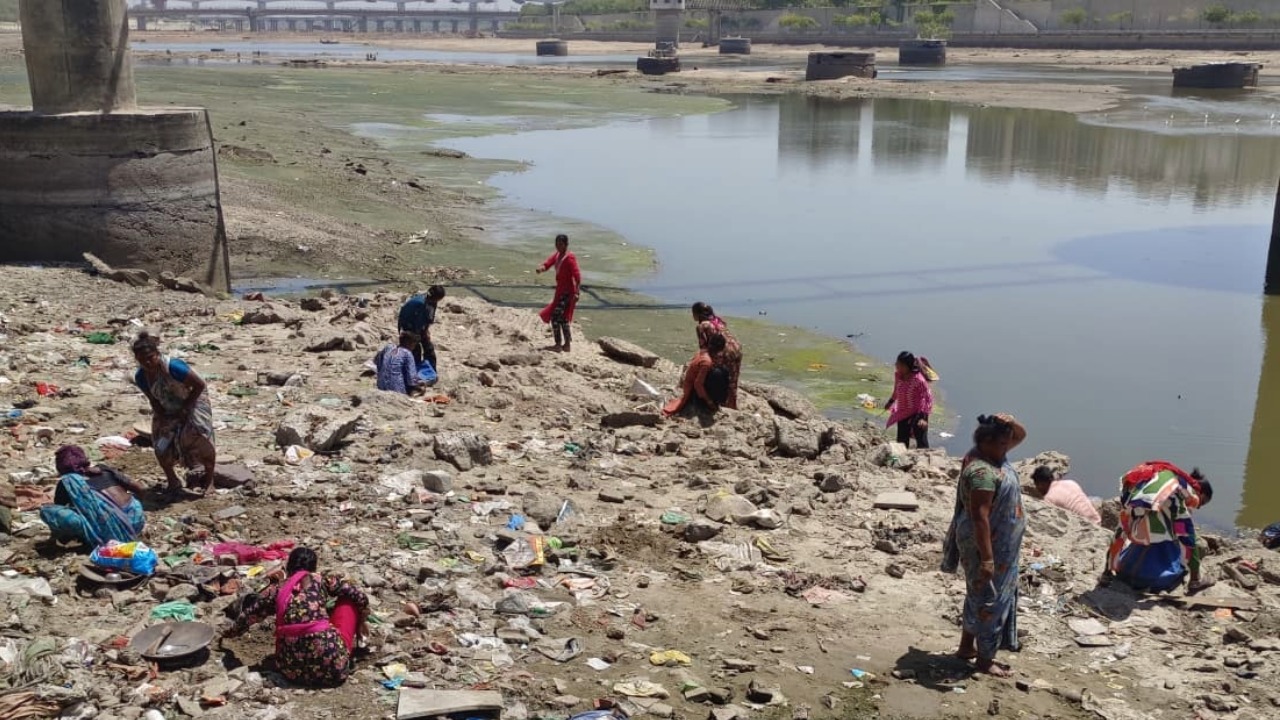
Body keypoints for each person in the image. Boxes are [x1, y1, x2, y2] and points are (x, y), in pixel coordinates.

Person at [941, 413, 1028, 678]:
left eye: (1006, 442)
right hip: (987, 545)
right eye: (1003, 443)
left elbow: (1021, 435)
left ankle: (966, 647)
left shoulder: (993, 455)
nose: (1008, 446)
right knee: (991, 601)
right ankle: (984, 659)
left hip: (1000, 544)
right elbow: (980, 519)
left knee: (977, 594)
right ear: (988, 442)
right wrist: (988, 559)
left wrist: (1010, 422)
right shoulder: (982, 472)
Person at [221, 547, 369, 687]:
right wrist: (362, 619)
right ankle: (344, 651)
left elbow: (248, 616)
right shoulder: (321, 580)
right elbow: (360, 597)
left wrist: (227, 634)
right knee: (348, 601)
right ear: (314, 567)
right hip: (334, 670)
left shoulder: (277, 590)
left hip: (290, 671)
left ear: (288, 567)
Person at [1104, 461, 1214, 594]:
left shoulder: (1158, 476)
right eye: (1201, 502)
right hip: (1151, 579)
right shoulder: (1180, 491)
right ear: (1199, 493)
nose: (1198, 507)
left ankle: (1107, 573)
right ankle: (1195, 581)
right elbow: (1187, 537)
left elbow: (1121, 531)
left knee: (1124, 529)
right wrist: (1194, 570)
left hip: (1136, 500)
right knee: (1185, 536)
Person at [133, 332, 217, 497]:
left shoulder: (173, 367)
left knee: (201, 438)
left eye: (151, 357)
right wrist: (163, 417)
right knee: (161, 443)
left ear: (157, 354)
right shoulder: (141, 376)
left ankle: (209, 481)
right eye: (143, 361)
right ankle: (173, 480)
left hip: (193, 401)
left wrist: (185, 408)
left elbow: (199, 385)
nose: (148, 363)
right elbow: (153, 398)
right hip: (167, 405)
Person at [39, 445, 145, 546]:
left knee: (47, 511)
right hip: (135, 520)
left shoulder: (68, 482)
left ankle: (89, 535)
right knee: (130, 501)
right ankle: (125, 528)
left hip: (105, 531)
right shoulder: (103, 469)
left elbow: (60, 507)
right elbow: (139, 489)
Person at [664, 334, 731, 418]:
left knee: (721, 371)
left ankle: (715, 401)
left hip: (689, 388)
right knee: (720, 373)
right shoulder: (707, 362)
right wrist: (709, 401)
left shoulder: (702, 352)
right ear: (719, 349)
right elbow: (698, 384)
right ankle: (714, 402)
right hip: (693, 394)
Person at [535, 234, 581, 353]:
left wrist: (577, 293)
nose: (558, 246)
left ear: (566, 245)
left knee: (555, 316)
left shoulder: (570, 257)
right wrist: (541, 268)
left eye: (561, 244)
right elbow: (548, 264)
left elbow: (577, 276)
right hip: (559, 292)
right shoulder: (557, 256)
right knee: (562, 318)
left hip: (567, 293)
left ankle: (558, 344)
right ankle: (566, 344)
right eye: (557, 244)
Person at [692, 302, 742, 410]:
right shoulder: (718, 321)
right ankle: (732, 404)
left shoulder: (702, 326)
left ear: (697, 314)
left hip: (723, 351)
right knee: (733, 379)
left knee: (720, 376)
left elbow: (703, 347)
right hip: (736, 348)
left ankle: (720, 401)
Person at [883, 351, 934, 449]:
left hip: (919, 412)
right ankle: (903, 459)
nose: (897, 367)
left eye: (900, 365)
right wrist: (890, 402)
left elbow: (927, 397)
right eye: (897, 364)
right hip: (903, 411)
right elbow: (896, 390)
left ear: (908, 366)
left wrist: (923, 417)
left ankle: (925, 459)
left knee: (920, 435)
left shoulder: (918, 380)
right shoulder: (898, 376)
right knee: (902, 439)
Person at [397, 285, 446, 372]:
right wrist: (416, 336)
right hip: (409, 326)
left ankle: (431, 369)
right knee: (415, 349)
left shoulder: (432, 302)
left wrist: (426, 330)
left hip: (421, 326)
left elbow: (429, 317)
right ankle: (414, 370)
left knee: (429, 347)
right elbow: (409, 319)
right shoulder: (420, 303)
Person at [1031, 466, 1101, 526]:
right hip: (1097, 521)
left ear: (1042, 483)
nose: (1037, 488)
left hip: (1085, 527)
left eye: (1037, 484)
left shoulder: (1049, 498)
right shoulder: (1071, 482)